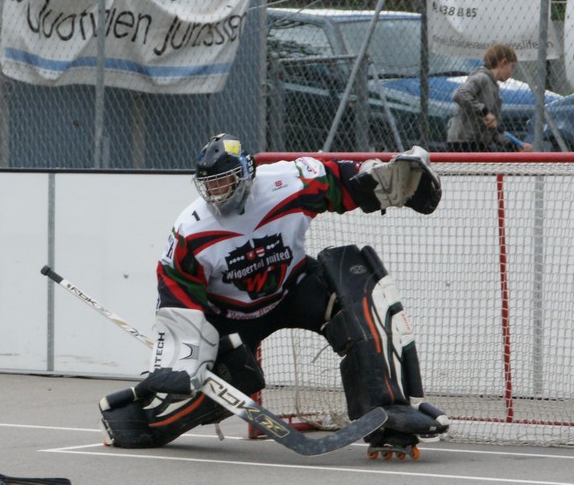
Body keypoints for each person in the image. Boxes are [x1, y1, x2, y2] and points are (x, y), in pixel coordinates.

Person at [100, 134, 451, 460]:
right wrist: (181, 357)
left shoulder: (290, 182)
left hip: (294, 288)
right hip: (231, 315)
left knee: (361, 287)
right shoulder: (191, 229)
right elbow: (177, 291)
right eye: (210, 185)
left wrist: (384, 180)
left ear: (246, 173)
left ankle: (388, 414)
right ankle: (143, 423)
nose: (217, 192)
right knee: (229, 379)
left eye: (224, 181)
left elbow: (341, 181)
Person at [447, 43, 532, 152]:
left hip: (479, 142)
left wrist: (514, 144)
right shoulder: (481, 77)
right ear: (503, 63)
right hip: (464, 142)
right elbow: (460, 94)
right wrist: (485, 112)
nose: (512, 72)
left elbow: (493, 129)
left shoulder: (494, 88)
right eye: (512, 67)